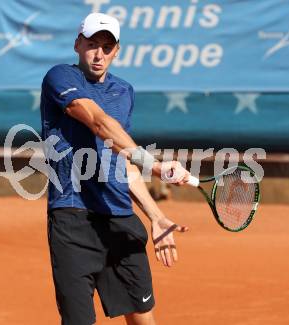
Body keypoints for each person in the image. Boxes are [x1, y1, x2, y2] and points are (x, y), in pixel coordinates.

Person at [40, 12, 190, 325]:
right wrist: (157, 167)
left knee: (142, 318)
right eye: (92, 44)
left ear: (117, 51)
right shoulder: (60, 78)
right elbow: (98, 122)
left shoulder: (124, 92)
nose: (99, 53)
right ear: (78, 44)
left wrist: (156, 215)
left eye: (107, 47)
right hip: (72, 218)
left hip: (119, 218)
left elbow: (120, 160)